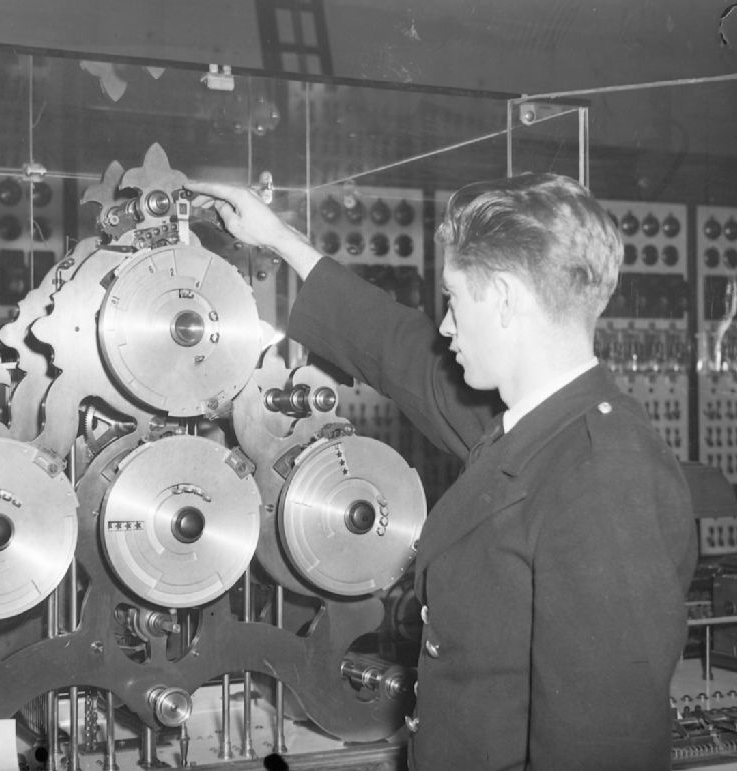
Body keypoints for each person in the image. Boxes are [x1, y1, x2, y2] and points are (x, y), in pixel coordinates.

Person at [188, 174, 697, 770]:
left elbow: (604, 753)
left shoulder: (603, 478)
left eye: (454, 299)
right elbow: (402, 351)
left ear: (503, 298)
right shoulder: (536, 426)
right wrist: (280, 240)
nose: (447, 325)